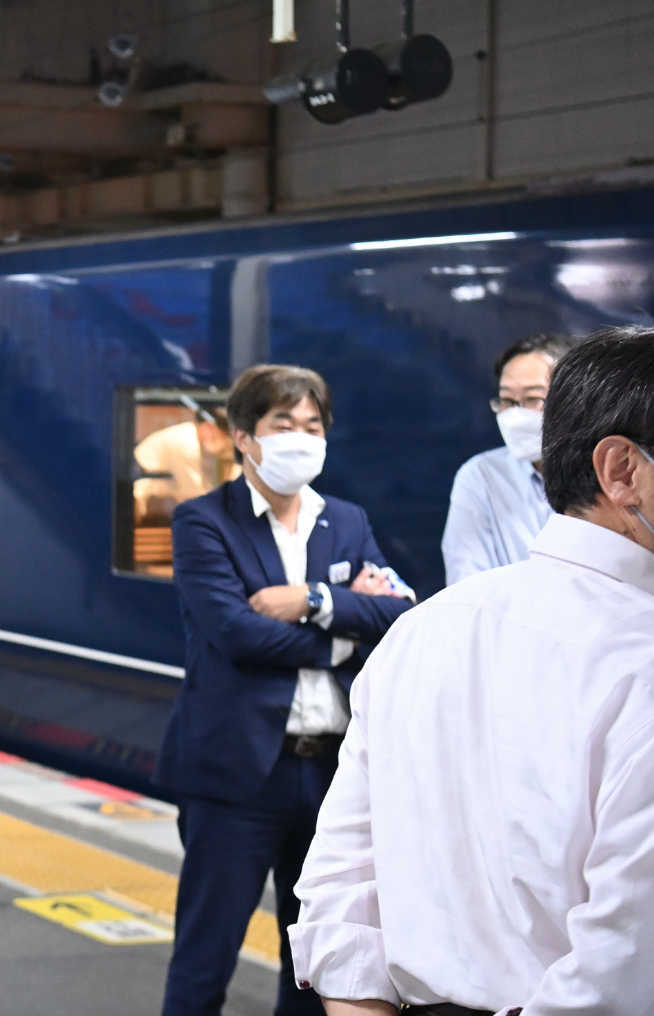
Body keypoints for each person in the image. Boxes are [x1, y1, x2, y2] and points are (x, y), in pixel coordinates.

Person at [291, 326, 654, 1015]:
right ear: (622, 471)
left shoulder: (424, 630)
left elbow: (342, 881)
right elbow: (624, 972)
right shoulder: (643, 664)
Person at [156, 365, 415, 1016]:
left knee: (315, 956)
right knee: (205, 953)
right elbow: (236, 634)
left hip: (332, 773)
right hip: (237, 776)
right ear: (243, 437)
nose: (302, 438)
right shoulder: (202, 523)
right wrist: (343, 633)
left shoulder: (347, 521)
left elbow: (401, 613)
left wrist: (313, 599)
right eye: (283, 424)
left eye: (313, 425)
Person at [440, 333, 576, 584]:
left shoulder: (607, 475)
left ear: (573, 400)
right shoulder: (481, 477)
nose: (515, 414)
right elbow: (466, 583)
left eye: (532, 399)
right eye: (506, 400)